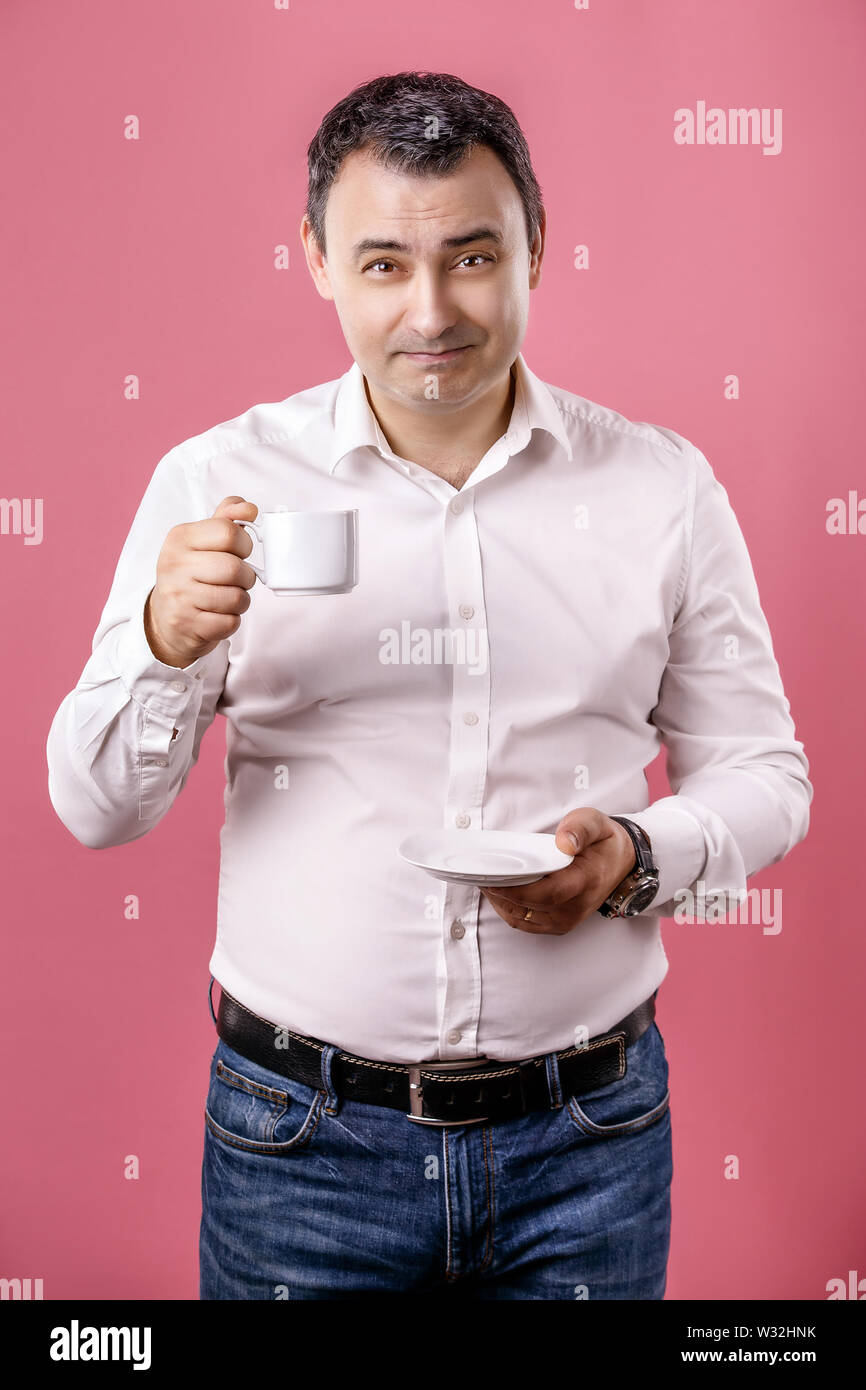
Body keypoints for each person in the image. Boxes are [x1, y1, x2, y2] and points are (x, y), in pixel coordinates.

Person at [46, 71, 812, 1300]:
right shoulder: (220, 479)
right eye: (383, 266)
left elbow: (767, 777)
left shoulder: (661, 488)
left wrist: (632, 849)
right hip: (298, 1144)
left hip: (590, 1141)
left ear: (535, 245)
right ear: (313, 258)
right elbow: (95, 808)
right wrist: (162, 640)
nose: (431, 311)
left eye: (470, 256)